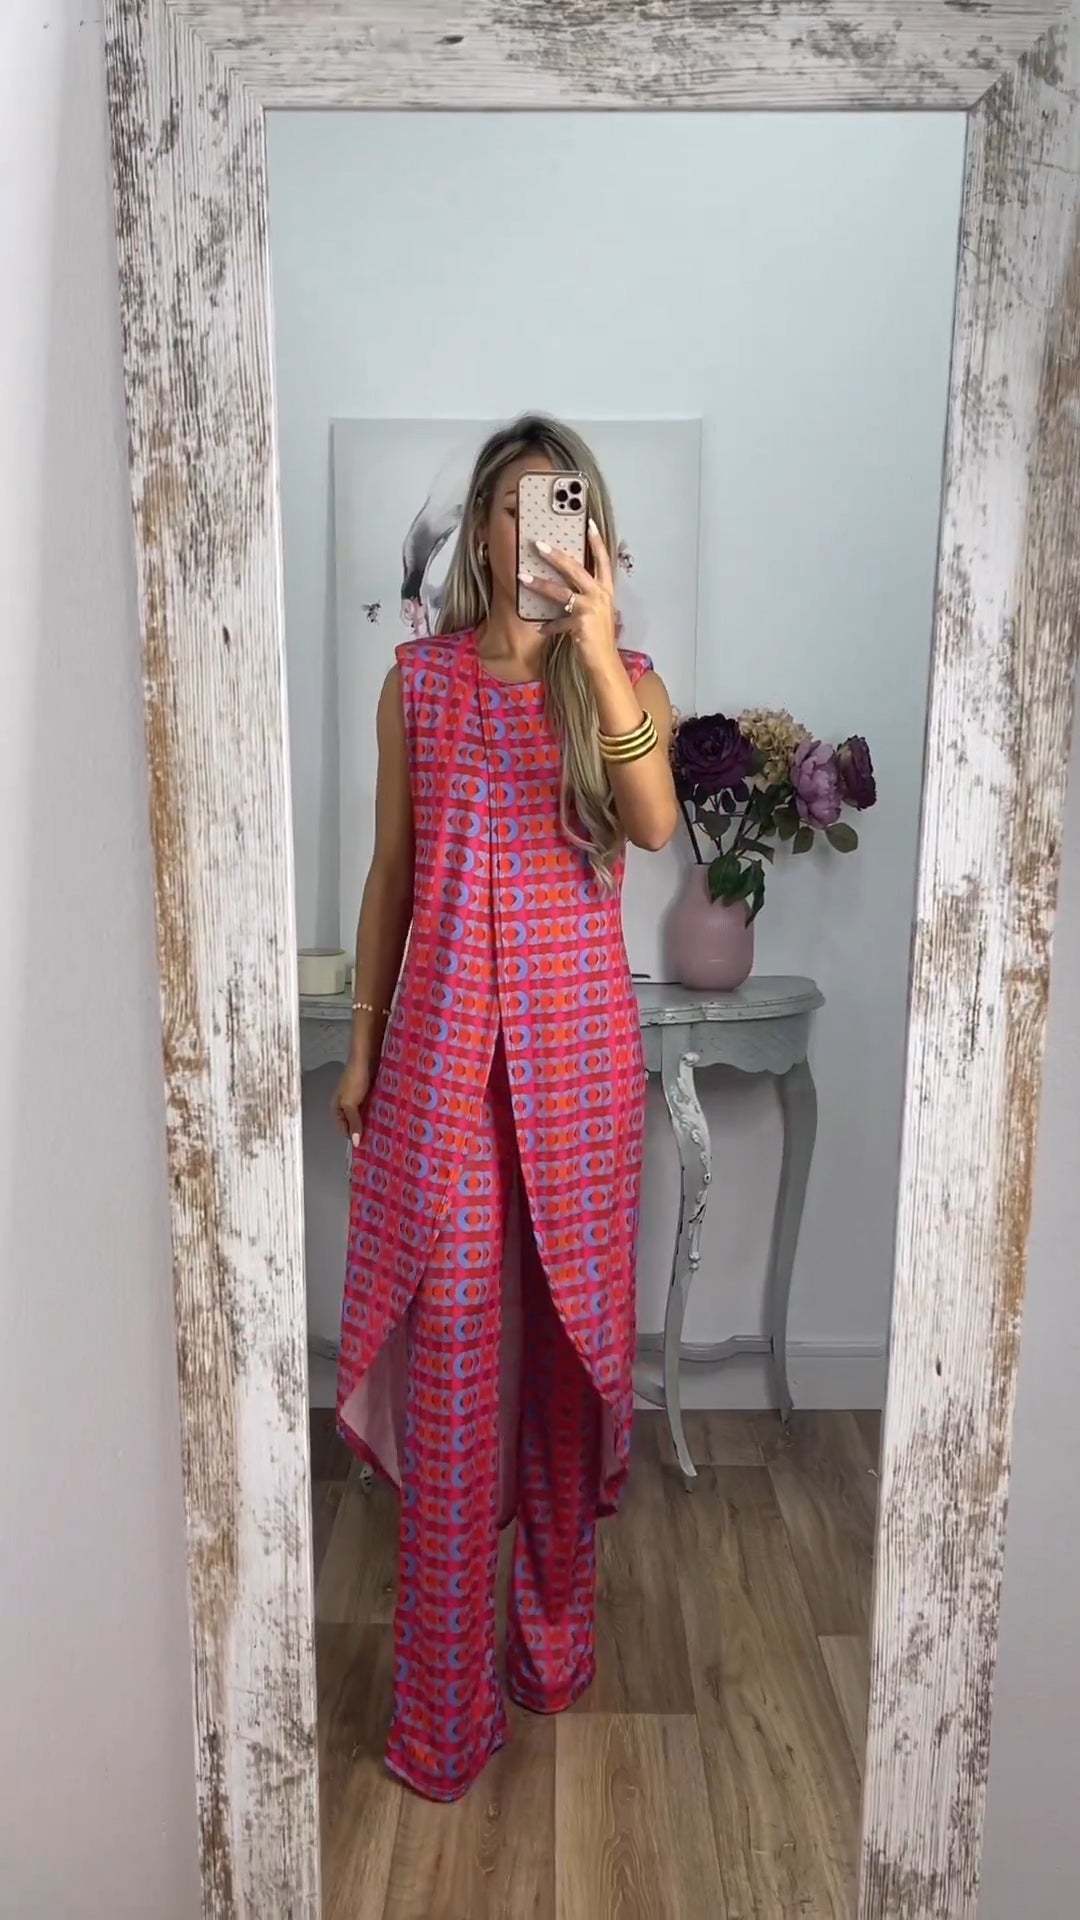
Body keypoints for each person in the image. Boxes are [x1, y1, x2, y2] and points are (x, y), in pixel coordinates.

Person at [331, 413, 679, 1802]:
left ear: (589, 531)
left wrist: (594, 646)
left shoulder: (622, 681)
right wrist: (362, 1045)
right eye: (520, 505)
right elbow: (391, 874)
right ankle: (441, 1714)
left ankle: (551, 1650)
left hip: (577, 1068)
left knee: (567, 1371)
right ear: (482, 524)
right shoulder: (416, 684)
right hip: (441, 1071)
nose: (539, 531)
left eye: (564, 506)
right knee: (460, 1356)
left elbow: (655, 823)